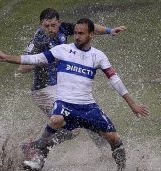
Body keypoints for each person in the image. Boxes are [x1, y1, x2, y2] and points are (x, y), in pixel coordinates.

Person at [0, 18, 149, 171]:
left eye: (81, 33)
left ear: (91, 34)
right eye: (75, 33)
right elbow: (34, 59)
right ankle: (38, 157)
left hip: (88, 107)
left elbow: (115, 79)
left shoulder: (98, 56)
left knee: (114, 139)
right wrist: (6, 57)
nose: (77, 36)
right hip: (65, 104)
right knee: (55, 120)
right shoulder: (63, 50)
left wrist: (132, 104)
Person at [18, 8, 127, 154]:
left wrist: (109, 30)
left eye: (53, 25)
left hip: (59, 88)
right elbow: (22, 67)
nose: (50, 29)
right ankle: (35, 148)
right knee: (70, 128)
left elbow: (89, 27)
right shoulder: (38, 40)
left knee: (88, 121)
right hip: (43, 90)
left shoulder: (64, 28)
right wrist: (45, 59)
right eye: (46, 26)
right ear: (40, 25)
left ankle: (104, 152)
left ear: (59, 23)